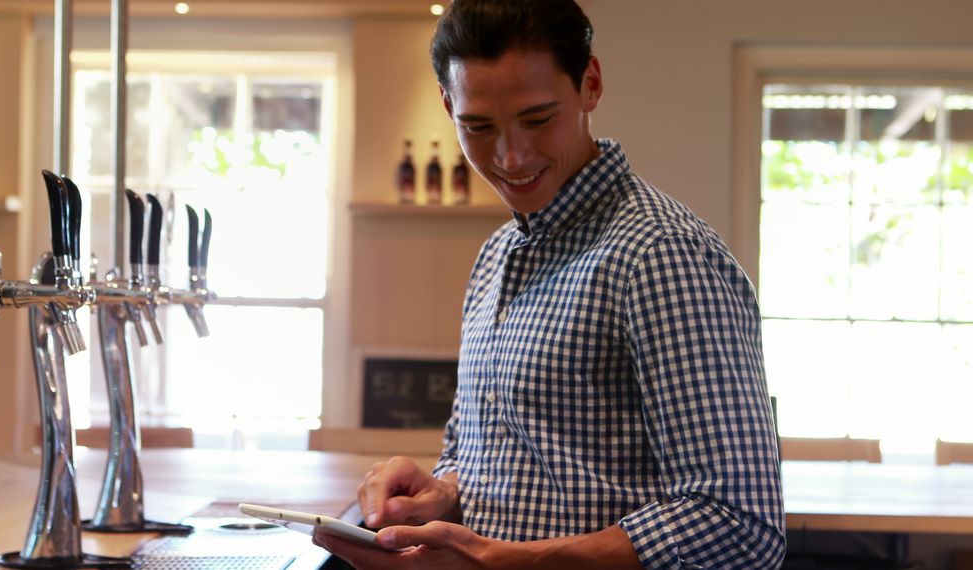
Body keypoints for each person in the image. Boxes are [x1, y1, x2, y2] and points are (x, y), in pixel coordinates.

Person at [314, 1, 785, 568]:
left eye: (538, 119)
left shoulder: (661, 255)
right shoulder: (495, 256)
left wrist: (515, 561)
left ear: (591, 84)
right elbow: (523, 466)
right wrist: (446, 492)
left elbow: (740, 525)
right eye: (479, 127)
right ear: (448, 105)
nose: (511, 156)